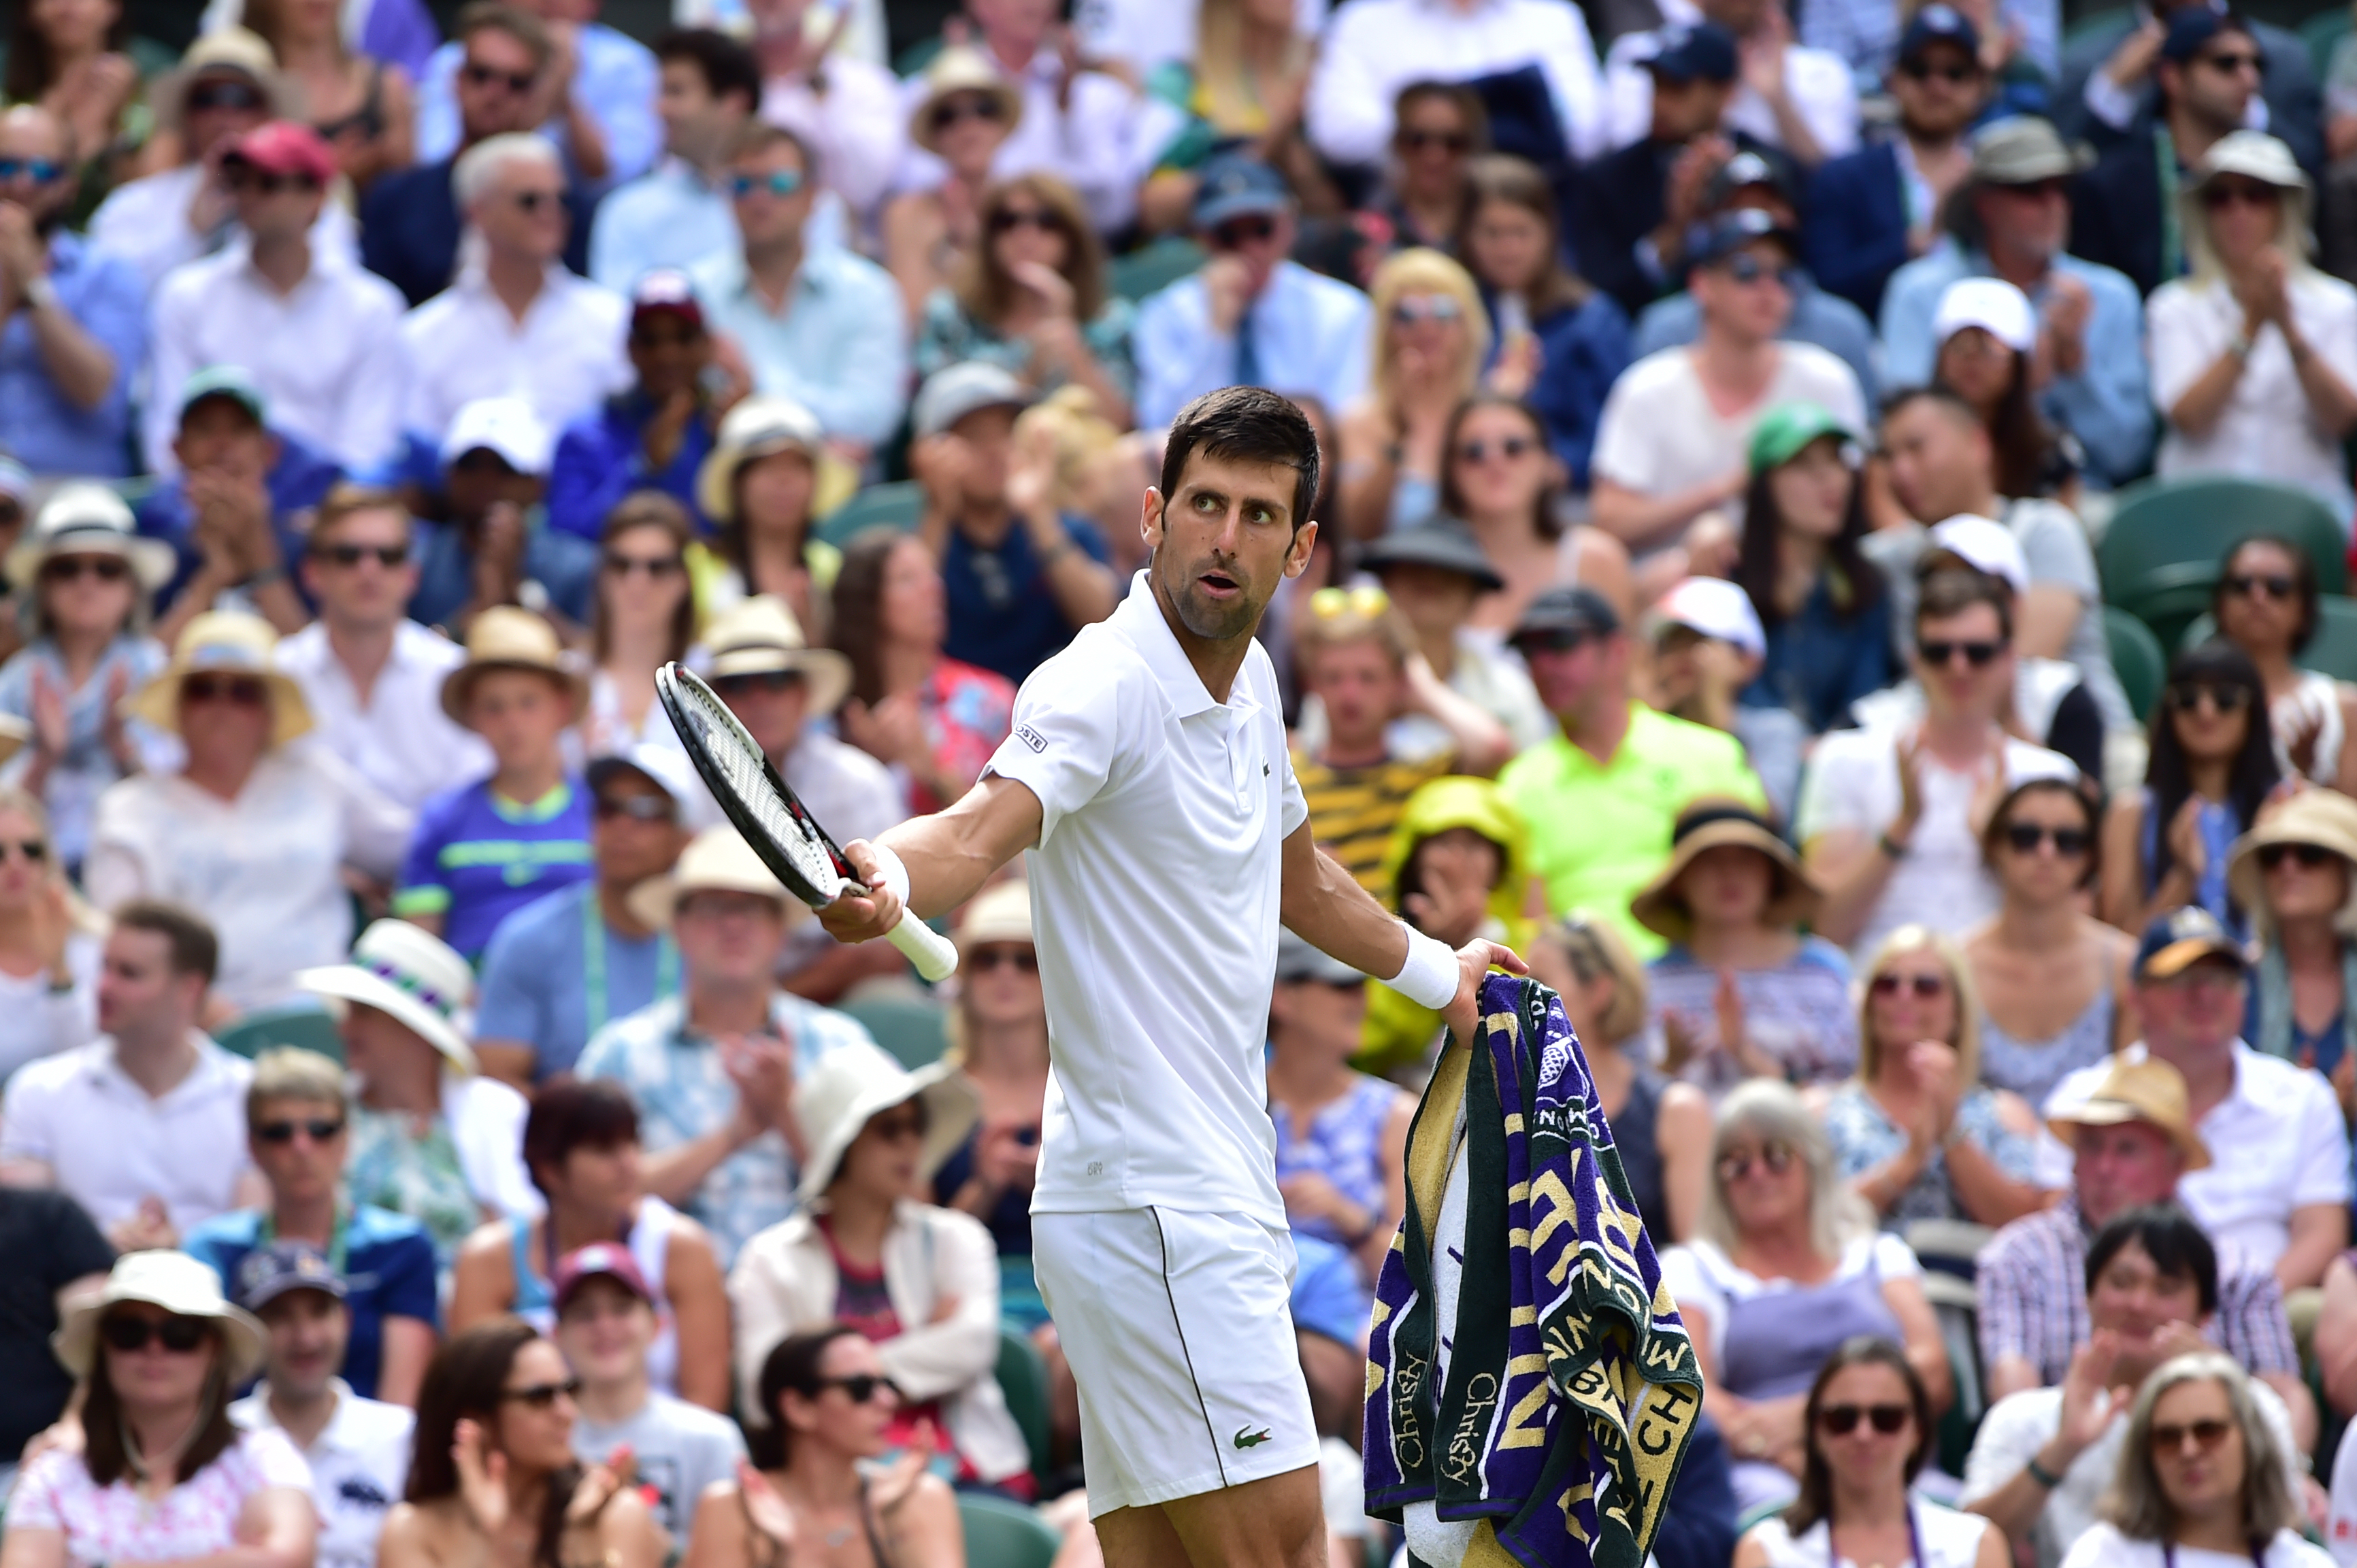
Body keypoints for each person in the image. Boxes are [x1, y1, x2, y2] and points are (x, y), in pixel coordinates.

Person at [814, 384, 1519, 1565]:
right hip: (1157, 1210)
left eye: (1255, 515)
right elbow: (982, 829)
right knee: (1288, 1550)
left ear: (1297, 550)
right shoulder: (1100, 683)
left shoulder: (1249, 685)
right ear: (1152, 514)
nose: (1222, 536)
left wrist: (1437, 971)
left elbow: (1297, 880)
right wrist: (883, 867)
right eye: (1202, 504)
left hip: (1177, 1203)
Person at [727, 1040, 1028, 1492]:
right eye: (889, 1129)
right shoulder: (769, 1259)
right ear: (843, 1146)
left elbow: (971, 1346)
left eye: (916, 1125)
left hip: (969, 1476)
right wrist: (924, 1343)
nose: (910, 1142)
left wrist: (834, 1379)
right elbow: (760, 1393)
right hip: (829, 1486)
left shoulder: (957, 1237)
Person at [578, 827, 878, 1266]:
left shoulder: (840, 1045)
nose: (733, 924)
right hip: (659, 1300)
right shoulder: (619, 1053)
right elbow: (587, 1200)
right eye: (713, 907)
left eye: (751, 909)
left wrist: (785, 1111)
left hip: (814, 1303)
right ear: (678, 928)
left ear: (780, 930)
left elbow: (889, 1201)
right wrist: (732, 1136)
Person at [86, 613, 409, 1014]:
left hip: (326, 1015)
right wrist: (203, 1011)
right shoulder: (128, 810)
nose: (222, 707)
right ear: (179, 708)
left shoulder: (317, 780)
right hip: (185, 1028)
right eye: (204, 690)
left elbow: (409, 850)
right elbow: (117, 938)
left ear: (269, 712)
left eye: (243, 692)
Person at [1662, 1079, 1950, 1515]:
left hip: (1893, 1459)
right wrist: (1800, 1463)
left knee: (1963, 1518)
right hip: (1769, 1471)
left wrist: (1815, 1417)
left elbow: (1933, 1372)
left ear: (1812, 1163)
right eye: (1736, 1164)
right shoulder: (1694, 1269)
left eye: (1776, 1157)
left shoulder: (1875, 1253)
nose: (1757, 1174)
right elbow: (1693, 1393)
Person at [1978, 1059, 2308, 1432]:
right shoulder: (2020, 1257)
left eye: (2127, 1150)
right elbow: (2012, 1389)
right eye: (2091, 1147)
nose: (2104, 1167)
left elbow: (2288, 1397)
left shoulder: (2238, 1269)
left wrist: (2218, 1375)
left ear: (2176, 1165)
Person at [1966, 1222, 2315, 1568]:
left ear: (2205, 1314)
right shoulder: (2024, 1417)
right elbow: (1966, 1548)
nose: (2139, 1304)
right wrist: (2063, 1447)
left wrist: (2218, 1383)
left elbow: (2287, 1526)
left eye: (2166, 1288)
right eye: (2121, 1283)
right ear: (2088, 1298)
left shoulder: (2253, 1407)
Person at [2042, 906, 2352, 1292]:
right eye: (2182, 979)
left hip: (2269, 1306)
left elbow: (2322, 1236)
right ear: (2136, 997)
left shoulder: (2304, 1097)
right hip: (2121, 1311)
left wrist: (2234, 1313)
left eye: (2221, 978)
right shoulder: (2082, 1100)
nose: (2205, 994)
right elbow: (2060, 1230)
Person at [1798, 567, 2079, 962]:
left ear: (2009, 659)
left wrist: (1993, 843)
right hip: (1883, 994)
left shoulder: (2048, 777)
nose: (1958, 667)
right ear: (1915, 661)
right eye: (1939, 652)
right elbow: (1827, 925)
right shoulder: (1845, 758)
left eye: (1978, 653)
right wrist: (1904, 824)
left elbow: (2066, 932)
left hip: (2000, 999)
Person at [1498, 584, 1768, 959]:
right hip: (1582, 998)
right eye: (1529, 652)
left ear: (1618, 651)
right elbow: (1533, 928)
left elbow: (1757, 891)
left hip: (1699, 977)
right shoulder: (1518, 784)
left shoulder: (1711, 754)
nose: (1542, 664)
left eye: (1560, 643)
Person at [1879, 116, 2151, 489]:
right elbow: (1904, 434)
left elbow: (2126, 455)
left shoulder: (2112, 296)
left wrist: (2075, 369)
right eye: (2032, 190)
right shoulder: (1920, 292)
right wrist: (2011, 382)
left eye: (2061, 188)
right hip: (1945, 495)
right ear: (1986, 204)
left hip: (2081, 503)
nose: (2052, 204)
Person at [1, 1252, 314, 1568]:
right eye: (129, 1332)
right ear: (103, 1347)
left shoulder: (263, 1458)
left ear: (215, 1349)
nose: (154, 1348)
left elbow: (287, 1559)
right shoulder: (53, 1474)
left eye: (180, 1334)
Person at [1589, 209, 1868, 561]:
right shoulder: (1646, 388)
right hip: (1676, 589)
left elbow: (1859, 496)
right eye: (1747, 272)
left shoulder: (1828, 378)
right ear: (1701, 285)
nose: (1769, 289)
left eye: (1783, 276)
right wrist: (1725, 491)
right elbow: (1610, 522)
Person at [448, 1076, 732, 1412]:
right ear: (550, 1170)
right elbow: (474, 1401)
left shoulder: (684, 1247)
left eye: (632, 1144)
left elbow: (705, 1404)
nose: (629, 1165)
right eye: (604, 1151)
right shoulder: (487, 1259)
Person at [146, 118, 407, 480]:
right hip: (205, 501)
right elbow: (165, 437)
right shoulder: (185, 294)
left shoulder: (372, 307)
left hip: (325, 514)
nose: (249, 196)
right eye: (239, 182)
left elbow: (368, 448)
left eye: (268, 183)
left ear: (316, 198)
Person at [183, 1048, 440, 1405]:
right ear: (253, 1147)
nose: (301, 1147)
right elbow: (201, 1386)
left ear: (347, 1140)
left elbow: (400, 1403)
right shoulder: (213, 1249)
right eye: (279, 1132)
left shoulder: (401, 1246)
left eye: (321, 1130)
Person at [0, 902, 259, 1250]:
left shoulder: (250, 1094)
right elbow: (22, 1230)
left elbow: (257, 1233)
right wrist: (101, 1247)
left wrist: (181, 1247)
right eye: (104, 967)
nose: (104, 987)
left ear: (190, 990)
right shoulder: (39, 1090)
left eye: (129, 973)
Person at [1877, 388, 2128, 736]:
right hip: (1952, 753)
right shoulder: (1893, 557)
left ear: (1977, 443)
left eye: (1916, 449)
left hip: (2086, 743)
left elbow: (1999, 678)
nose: (1900, 471)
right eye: (1888, 457)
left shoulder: (2046, 529)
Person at [299, 920, 539, 1272]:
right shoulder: (325, 1110)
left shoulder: (495, 1109)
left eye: (364, 1013)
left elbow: (522, 1231)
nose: (344, 1028)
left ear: (412, 1027)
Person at [2150, 132, 2357, 519]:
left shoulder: (2337, 303)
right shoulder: (2172, 306)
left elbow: (2342, 420)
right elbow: (2189, 417)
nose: (2238, 212)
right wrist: (2251, 327)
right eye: (2221, 198)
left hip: (2309, 512)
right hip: (2198, 511)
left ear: (2284, 208)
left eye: (2256, 196)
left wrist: (2288, 326)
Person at [472, 744, 697, 1086]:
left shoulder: (716, 937)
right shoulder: (528, 937)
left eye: (645, 811)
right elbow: (497, 1077)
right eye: (609, 809)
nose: (622, 825)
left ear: (685, 837)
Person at [398, 131, 633, 458]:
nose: (550, 213)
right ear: (478, 212)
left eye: (560, 200)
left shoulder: (614, 321)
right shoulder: (422, 335)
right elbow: (417, 454)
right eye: (530, 201)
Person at [274, 486, 494, 822]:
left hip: (433, 870)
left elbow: (472, 807)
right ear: (312, 573)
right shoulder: (276, 675)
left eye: (388, 556)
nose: (369, 570)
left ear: (411, 575)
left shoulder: (456, 675)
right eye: (348, 555)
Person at [85, 28, 359, 297]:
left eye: (242, 99)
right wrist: (190, 231)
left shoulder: (305, 199)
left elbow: (339, 297)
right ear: (187, 116)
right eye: (207, 99)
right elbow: (115, 307)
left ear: (269, 114)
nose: (225, 114)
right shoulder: (131, 206)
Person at [689, 122, 908, 458]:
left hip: (850, 498)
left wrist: (757, 392)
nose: (760, 199)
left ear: (814, 195)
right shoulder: (696, 294)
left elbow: (874, 418)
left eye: (780, 183)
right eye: (743, 184)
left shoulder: (869, 291)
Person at [360, 4, 597, 310]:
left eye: (516, 82)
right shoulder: (395, 199)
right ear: (457, 80)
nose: (495, 94)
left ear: (537, 94)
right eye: (481, 75)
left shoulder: (566, 208)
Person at [375, 1321, 665, 1568]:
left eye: (568, 1391)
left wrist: (581, 1540)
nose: (567, 1414)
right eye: (540, 1397)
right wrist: (480, 1537)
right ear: (475, 1419)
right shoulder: (412, 1530)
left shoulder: (612, 1513)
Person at [395, 607, 593, 962]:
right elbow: (417, 950)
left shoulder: (603, 815)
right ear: (472, 716)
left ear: (562, 707)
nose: (512, 722)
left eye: (528, 703)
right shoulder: (442, 819)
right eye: (493, 707)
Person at [1289, 586, 1513, 899]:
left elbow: (1493, 749)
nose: (1350, 695)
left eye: (1368, 677)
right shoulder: (1289, 779)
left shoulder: (1423, 780)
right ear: (1311, 683)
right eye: (1333, 677)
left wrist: (1426, 689)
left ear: (1399, 681)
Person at [1820, 925, 2046, 1230]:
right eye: (1887, 984)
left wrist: (1952, 1133)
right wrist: (1907, 1164)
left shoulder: (2005, 1114)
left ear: (1957, 1010)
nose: (1904, 996)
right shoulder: (1822, 1112)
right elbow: (1805, 1224)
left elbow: (2026, 1226)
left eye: (1926, 986)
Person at [680, 1327, 964, 1568]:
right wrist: (782, 1554)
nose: (888, 1401)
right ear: (798, 1408)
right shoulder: (731, 1508)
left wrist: (886, 1529)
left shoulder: (918, 1499)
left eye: (886, 1384)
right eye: (861, 1388)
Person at [0, 486, 175, 873]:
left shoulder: (158, 671)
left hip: (140, 866)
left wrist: (122, 748)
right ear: (43, 588)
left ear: (132, 590)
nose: (87, 583)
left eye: (107, 569)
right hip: (31, 874)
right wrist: (45, 758)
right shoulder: (15, 681)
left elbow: (183, 803)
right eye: (67, 569)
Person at [908, 362, 1118, 684]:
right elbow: (906, 630)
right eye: (975, 436)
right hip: (959, 715)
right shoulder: (921, 547)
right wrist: (938, 512)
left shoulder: (1068, 530)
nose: (995, 450)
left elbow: (1104, 620)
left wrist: (1037, 512)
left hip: (1060, 704)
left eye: (1006, 432)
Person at [1133, 153, 1374, 431]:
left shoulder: (1341, 310)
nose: (1249, 249)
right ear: (1203, 238)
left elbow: (1346, 422)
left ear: (1288, 225)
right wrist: (1215, 332)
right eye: (1229, 235)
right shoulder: (1165, 314)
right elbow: (1160, 427)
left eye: (1261, 229)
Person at [1638, 799, 1858, 1101]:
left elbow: (1849, 1097)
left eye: (1746, 859)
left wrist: (1746, 1054)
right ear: (1679, 881)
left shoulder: (1825, 971)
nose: (1730, 874)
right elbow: (1620, 1106)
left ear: (1770, 875)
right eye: (1710, 860)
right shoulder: (1647, 982)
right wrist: (1671, 1065)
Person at [1734, 1336, 2007, 1568]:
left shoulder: (1976, 1546)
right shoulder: (1766, 1552)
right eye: (1842, 1419)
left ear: (1918, 1432)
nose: (1864, 1435)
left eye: (1887, 1419)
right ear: (1816, 1431)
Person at [227, 1241, 418, 1568]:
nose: (306, 1338)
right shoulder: (218, 1440)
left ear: (346, 1320)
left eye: (319, 1312)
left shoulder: (403, 1437)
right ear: (250, 1334)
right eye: (281, 1318)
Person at [2071, 10, 2280, 301]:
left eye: (2256, 65)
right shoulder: (2115, 184)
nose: (2249, 78)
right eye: (2226, 63)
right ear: (2172, 76)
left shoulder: (2276, 173)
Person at [1530, 914, 1711, 1243]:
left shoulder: (1676, 1111)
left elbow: (1694, 1262)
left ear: (1599, 991)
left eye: (1540, 983)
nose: (1523, 999)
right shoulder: (1516, 1108)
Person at [1456, 154, 1632, 490]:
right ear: (1467, 235)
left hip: (1569, 496)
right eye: (1492, 233)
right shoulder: (1454, 313)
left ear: (1550, 233)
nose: (1508, 248)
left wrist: (1558, 467)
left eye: (1521, 232)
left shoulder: (1592, 319)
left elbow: (1617, 423)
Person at [546, 1241, 747, 1537]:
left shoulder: (711, 1438)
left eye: (622, 1309)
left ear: (657, 1324)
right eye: (584, 1314)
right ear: (556, 1336)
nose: (604, 1326)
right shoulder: (546, 1441)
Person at [2052, 1352, 2325, 1568]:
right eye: (2168, 1437)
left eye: (2208, 1431)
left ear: (2251, 1441)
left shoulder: (2303, 1563)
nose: (2189, 1450)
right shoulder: (2106, 1556)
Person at [1804, 6, 1990, 322]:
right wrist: (1917, 244)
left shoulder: (2001, 175)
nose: (1938, 86)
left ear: (1980, 86)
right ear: (1893, 79)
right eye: (1920, 70)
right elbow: (1825, 285)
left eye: (1955, 73)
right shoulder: (1845, 178)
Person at [912, 172, 1136, 427]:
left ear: (1073, 237)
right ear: (989, 236)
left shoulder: (1111, 320)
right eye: (1008, 221)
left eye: (1047, 221)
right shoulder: (950, 315)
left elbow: (1119, 425)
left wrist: (1071, 344)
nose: (1026, 234)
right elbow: (937, 420)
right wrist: (1031, 375)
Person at [1965, 778, 2135, 1107]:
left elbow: (2132, 1098)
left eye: (2068, 840)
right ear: (1994, 845)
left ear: (2090, 856)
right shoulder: (1957, 964)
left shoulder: (2123, 965)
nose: (2046, 852)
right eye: (2025, 837)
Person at [133, 367, 334, 644]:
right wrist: (214, 575)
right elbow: (146, 670)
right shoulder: (155, 542)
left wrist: (260, 550)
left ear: (269, 451)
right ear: (178, 450)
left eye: (239, 429)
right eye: (205, 429)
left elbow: (313, 671)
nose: (222, 444)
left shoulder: (310, 547)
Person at [829, 529, 1017, 817]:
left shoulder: (991, 702)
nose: (932, 588)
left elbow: (1009, 840)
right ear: (866, 603)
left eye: (932, 574)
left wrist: (931, 774)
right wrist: (865, 763)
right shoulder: (833, 714)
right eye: (907, 580)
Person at [0, 104, 143, 480]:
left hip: (77, 494)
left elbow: (96, 392)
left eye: (43, 171)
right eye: (6, 167)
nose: (22, 185)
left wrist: (31, 288)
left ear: (69, 185)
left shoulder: (108, 272)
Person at [1731, 402, 1889, 740]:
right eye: (1803, 464)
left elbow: (1867, 701)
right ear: (1764, 484)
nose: (1827, 478)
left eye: (1836, 460)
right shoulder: (1729, 580)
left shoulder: (1869, 586)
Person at [2100, 644, 2280, 940]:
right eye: (2187, 699)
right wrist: (2183, 877)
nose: (2205, 711)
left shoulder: (2281, 805)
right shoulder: (2131, 812)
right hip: (2168, 981)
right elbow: (2122, 948)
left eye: (2225, 698)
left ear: (2255, 711)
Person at [1264, 932, 1413, 1290]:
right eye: (1341, 985)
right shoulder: (1237, 1104)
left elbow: (1415, 1284)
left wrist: (1346, 1216)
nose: (1361, 1001)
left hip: (1359, 1338)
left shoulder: (1395, 1115)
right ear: (1283, 997)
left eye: (1362, 985)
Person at [543, 270, 739, 541]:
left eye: (683, 337)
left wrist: (735, 443)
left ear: (708, 345)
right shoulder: (585, 436)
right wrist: (644, 466)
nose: (667, 354)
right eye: (650, 340)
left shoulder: (731, 424)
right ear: (629, 348)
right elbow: (565, 538)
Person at [1570, 21, 1745, 319]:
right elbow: (1596, 296)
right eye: (1656, 85)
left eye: (1678, 88)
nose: (1660, 102)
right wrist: (1675, 232)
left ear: (1724, 94)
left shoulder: (1772, 166)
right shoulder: (1606, 180)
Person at [1304, 0, 1604, 169]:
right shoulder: (1364, 20)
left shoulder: (1554, 18)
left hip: (1524, 215)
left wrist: (1423, 123)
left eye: (1455, 142)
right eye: (1420, 139)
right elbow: (1337, 133)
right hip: (1403, 214)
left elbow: (1586, 132)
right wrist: (1505, 112)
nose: (1442, 150)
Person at [930, 880, 1047, 1308]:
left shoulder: (1092, 1093)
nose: (1005, 973)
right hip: (962, 1304)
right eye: (986, 959)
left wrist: (1058, 1186)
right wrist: (983, 1188)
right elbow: (912, 1255)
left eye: (1026, 960)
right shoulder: (931, 1096)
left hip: (1080, 1299)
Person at [1445, 392, 1632, 641]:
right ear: (1450, 471)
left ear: (1550, 465)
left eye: (1514, 448)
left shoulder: (1597, 560)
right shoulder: (1424, 568)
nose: (1495, 461)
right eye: (1474, 452)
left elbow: (1627, 670)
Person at [412, 0, 659, 186]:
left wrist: (564, 93)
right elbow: (435, 157)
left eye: (518, 82)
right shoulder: (457, 58)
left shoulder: (627, 63)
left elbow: (618, 176)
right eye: (482, 75)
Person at [586, 28, 759, 293]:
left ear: (733, 104)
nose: (659, 108)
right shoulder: (628, 211)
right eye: (661, 93)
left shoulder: (796, 200)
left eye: (676, 92)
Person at [1356, 516, 1550, 753]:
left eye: (1450, 574)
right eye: (1412, 569)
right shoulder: (1345, 677)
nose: (1429, 577)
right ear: (1387, 586)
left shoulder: (1508, 689)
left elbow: (1523, 769)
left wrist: (1428, 696)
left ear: (1473, 598)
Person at [408, 397, 601, 633]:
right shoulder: (415, 561)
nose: (484, 480)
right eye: (469, 465)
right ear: (448, 476)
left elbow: (592, 655)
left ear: (538, 484)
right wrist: (480, 607)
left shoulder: (579, 567)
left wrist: (518, 590)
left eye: (505, 468)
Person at [1336, 248, 1491, 539]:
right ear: (1384, 330)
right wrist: (1402, 433)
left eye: (1444, 310)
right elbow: (1357, 530)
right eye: (1406, 313)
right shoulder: (1357, 421)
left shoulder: (1489, 418)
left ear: (1468, 325)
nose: (1426, 326)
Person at [1134, 0, 1321, 235]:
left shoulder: (1323, 71)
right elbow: (1150, 209)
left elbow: (1334, 213)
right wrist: (1264, 151)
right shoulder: (1180, 85)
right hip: (1205, 250)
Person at [2226, 788, 2357, 1085]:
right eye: (2272, 856)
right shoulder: (2233, 983)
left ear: (2347, 874)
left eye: (2310, 854)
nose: (2288, 867)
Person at [884, 48, 1022, 324]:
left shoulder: (1028, 207)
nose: (968, 125)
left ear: (1001, 124)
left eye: (984, 110)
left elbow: (1029, 312)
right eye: (948, 116)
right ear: (935, 135)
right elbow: (915, 321)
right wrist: (960, 248)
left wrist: (970, 245)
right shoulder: (906, 215)